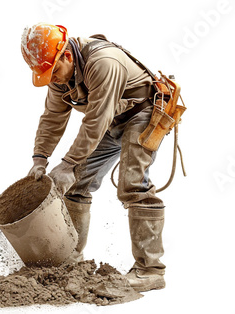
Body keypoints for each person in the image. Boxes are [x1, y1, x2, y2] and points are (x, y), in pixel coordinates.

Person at [21, 23, 166, 292]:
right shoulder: (60, 75)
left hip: (143, 113)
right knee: (76, 184)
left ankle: (150, 270)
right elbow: (53, 117)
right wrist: (40, 158)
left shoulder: (104, 62)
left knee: (133, 185)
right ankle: (72, 262)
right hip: (112, 119)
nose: (52, 80)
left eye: (53, 72)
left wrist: (68, 163)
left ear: (66, 55)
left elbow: (97, 119)